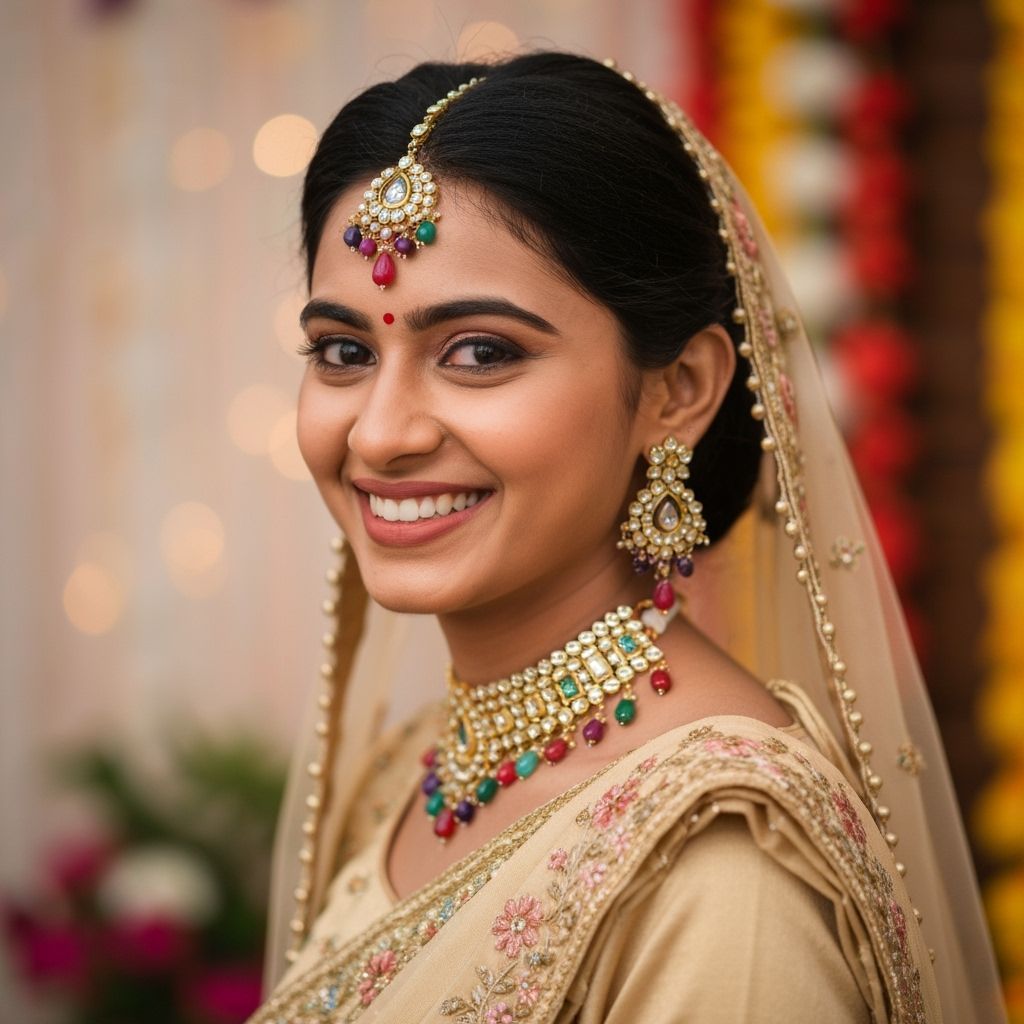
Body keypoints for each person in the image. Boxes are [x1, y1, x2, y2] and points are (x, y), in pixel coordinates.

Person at [246, 52, 1006, 1023]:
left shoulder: (720, 872)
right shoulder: (409, 774)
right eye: (344, 351)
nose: (380, 434)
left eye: (479, 352)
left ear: (678, 390)